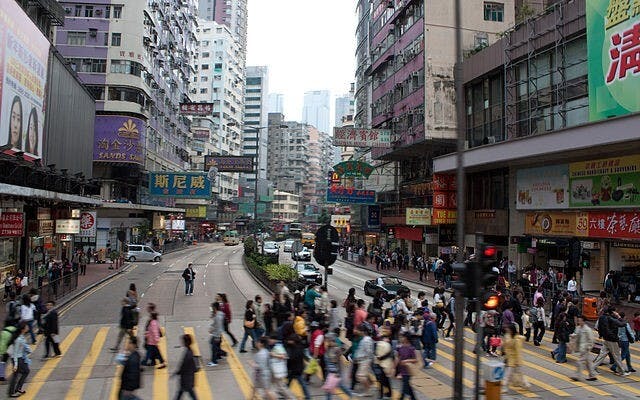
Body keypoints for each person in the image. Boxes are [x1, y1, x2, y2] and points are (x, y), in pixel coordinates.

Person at [593, 307, 630, 376]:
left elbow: (599, 327)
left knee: (602, 354)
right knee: (617, 356)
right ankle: (621, 371)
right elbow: (623, 324)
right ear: (612, 312)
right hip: (612, 339)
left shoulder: (602, 317)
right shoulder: (611, 319)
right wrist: (619, 317)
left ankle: (592, 368)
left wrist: (601, 335)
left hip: (606, 339)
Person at [323, 331, 353, 399]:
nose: (326, 342)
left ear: (332, 340)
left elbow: (346, 347)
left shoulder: (337, 349)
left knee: (337, 386)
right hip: (329, 370)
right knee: (330, 387)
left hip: (335, 371)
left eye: (328, 340)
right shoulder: (329, 348)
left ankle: (350, 394)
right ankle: (349, 394)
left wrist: (337, 373)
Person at [502, 323, 530, 392]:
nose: (507, 330)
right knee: (516, 373)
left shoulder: (517, 339)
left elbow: (518, 351)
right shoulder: (507, 335)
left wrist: (517, 361)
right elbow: (505, 345)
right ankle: (526, 385)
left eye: (508, 329)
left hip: (515, 359)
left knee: (508, 374)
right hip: (510, 358)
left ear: (512, 330)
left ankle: (505, 388)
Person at [572, 315, 598, 382]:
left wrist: (589, 347)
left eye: (580, 320)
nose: (578, 322)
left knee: (579, 362)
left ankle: (577, 376)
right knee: (588, 363)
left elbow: (591, 339)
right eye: (578, 320)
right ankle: (592, 375)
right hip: (581, 348)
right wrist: (572, 336)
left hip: (585, 348)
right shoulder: (578, 328)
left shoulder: (587, 330)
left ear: (583, 321)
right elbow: (576, 334)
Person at [8, 322, 31, 398]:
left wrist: (27, 349)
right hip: (17, 359)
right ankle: (12, 392)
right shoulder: (18, 339)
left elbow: (22, 347)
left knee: (23, 372)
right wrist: (16, 364)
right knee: (21, 373)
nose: (27, 327)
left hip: (21, 357)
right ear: (22, 329)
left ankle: (17, 389)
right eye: (26, 326)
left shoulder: (21, 336)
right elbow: (15, 352)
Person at [285, 334, 310, 400]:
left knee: (300, 384)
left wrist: (286, 356)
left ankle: (308, 397)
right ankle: (307, 397)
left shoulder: (296, 348)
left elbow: (292, 357)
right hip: (296, 369)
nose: (288, 341)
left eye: (290, 340)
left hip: (295, 369)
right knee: (291, 384)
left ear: (293, 341)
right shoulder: (298, 346)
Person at [174, 334, 198, 400]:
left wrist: (178, 372)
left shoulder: (188, 354)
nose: (181, 342)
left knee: (186, 392)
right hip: (188, 377)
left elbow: (184, 366)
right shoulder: (190, 351)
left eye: (183, 341)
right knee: (182, 392)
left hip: (186, 378)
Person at [396, 332, 418, 400]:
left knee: (404, 388)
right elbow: (398, 357)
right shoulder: (400, 347)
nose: (401, 338)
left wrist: (406, 361)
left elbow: (415, 360)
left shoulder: (411, 348)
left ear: (406, 339)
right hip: (402, 370)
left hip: (408, 371)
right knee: (407, 387)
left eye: (402, 337)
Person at [208, 302, 224, 366]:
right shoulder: (218, 314)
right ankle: (219, 356)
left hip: (216, 335)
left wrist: (217, 336)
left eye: (212, 307)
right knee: (213, 345)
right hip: (216, 334)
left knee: (214, 348)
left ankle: (214, 361)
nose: (211, 308)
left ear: (215, 307)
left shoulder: (218, 316)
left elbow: (219, 326)